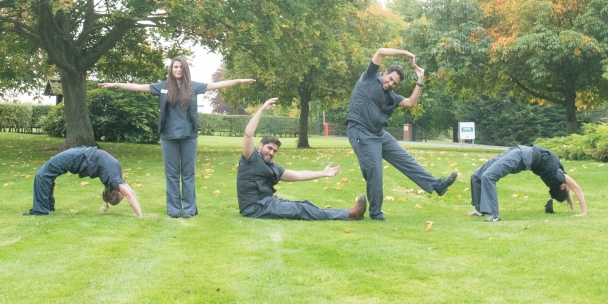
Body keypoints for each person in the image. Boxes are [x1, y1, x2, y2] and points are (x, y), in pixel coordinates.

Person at [99, 58, 253, 218]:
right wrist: (116, 84)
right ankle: (173, 209)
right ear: (171, 70)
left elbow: (216, 85)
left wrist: (239, 81)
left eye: (181, 67)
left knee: (188, 174)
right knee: (171, 174)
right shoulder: (163, 87)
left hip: (189, 136)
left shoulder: (193, 87)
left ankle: (188, 209)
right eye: (175, 67)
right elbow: (139, 87)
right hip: (168, 136)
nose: (178, 69)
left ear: (185, 69)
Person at [346, 48, 458, 221]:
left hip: (377, 133)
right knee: (375, 172)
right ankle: (376, 213)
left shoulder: (391, 96)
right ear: (385, 73)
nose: (391, 84)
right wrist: (406, 53)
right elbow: (380, 52)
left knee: (405, 159)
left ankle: (437, 185)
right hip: (360, 131)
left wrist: (420, 81)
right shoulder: (369, 77)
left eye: (394, 83)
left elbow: (411, 103)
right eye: (390, 79)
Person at [237, 98, 366, 221]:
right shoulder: (250, 157)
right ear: (260, 145)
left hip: (266, 203)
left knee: (305, 205)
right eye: (269, 148)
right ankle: (350, 215)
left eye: (274, 151)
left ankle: (347, 214)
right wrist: (262, 110)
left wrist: (322, 173)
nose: (271, 153)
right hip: (254, 207)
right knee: (301, 209)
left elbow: (298, 175)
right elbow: (248, 133)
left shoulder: (272, 166)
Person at [467, 145, 586, 222]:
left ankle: (495, 215)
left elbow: (576, 189)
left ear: (561, 187)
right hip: (517, 151)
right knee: (476, 175)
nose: (568, 187)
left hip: (519, 157)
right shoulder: (557, 181)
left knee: (488, 176)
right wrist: (574, 209)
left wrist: (582, 212)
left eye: (567, 189)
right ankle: (479, 210)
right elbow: (572, 191)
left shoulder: (557, 176)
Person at [25, 146, 142, 217]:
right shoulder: (113, 179)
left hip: (81, 155)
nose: (123, 194)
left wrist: (139, 213)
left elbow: (130, 193)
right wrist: (140, 215)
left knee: (42, 175)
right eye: (122, 195)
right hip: (80, 155)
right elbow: (130, 195)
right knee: (42, 175)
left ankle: (43, 208)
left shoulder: (113, 178)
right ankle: (43, 208)